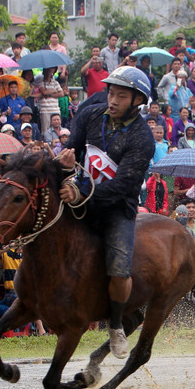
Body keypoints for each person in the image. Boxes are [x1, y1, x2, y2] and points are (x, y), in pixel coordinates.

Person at [59, 66, 155, 358]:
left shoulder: (143, 138)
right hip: (79, 197)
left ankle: (115, 324)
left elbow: (124, 186)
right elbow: (72, 148)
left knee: (118, 267)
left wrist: (82, 193)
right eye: (111, 93)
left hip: (116, 209)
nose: (112, 100)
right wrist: (63, 160)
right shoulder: (89, 115)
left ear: (137, 101)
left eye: (121, 96)